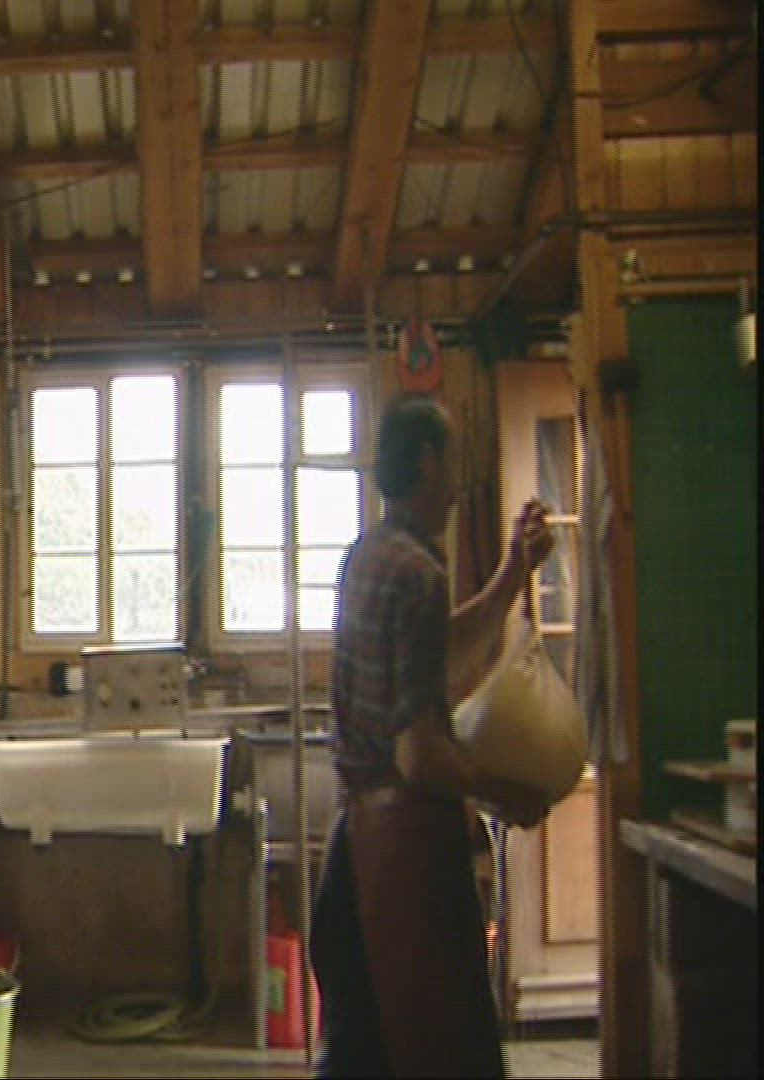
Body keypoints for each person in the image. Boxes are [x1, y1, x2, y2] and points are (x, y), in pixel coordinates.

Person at [309, 392, 555, 1078]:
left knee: (359, 1048)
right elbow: (419, 755)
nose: (458, 484)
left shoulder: (369, 556)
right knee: (438, 1051)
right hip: (405, 854)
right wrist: (504, 793)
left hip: (357, 844)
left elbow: (433, 658)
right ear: (426, 461)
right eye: (451, 462)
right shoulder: (419, 575)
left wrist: (512, 575)